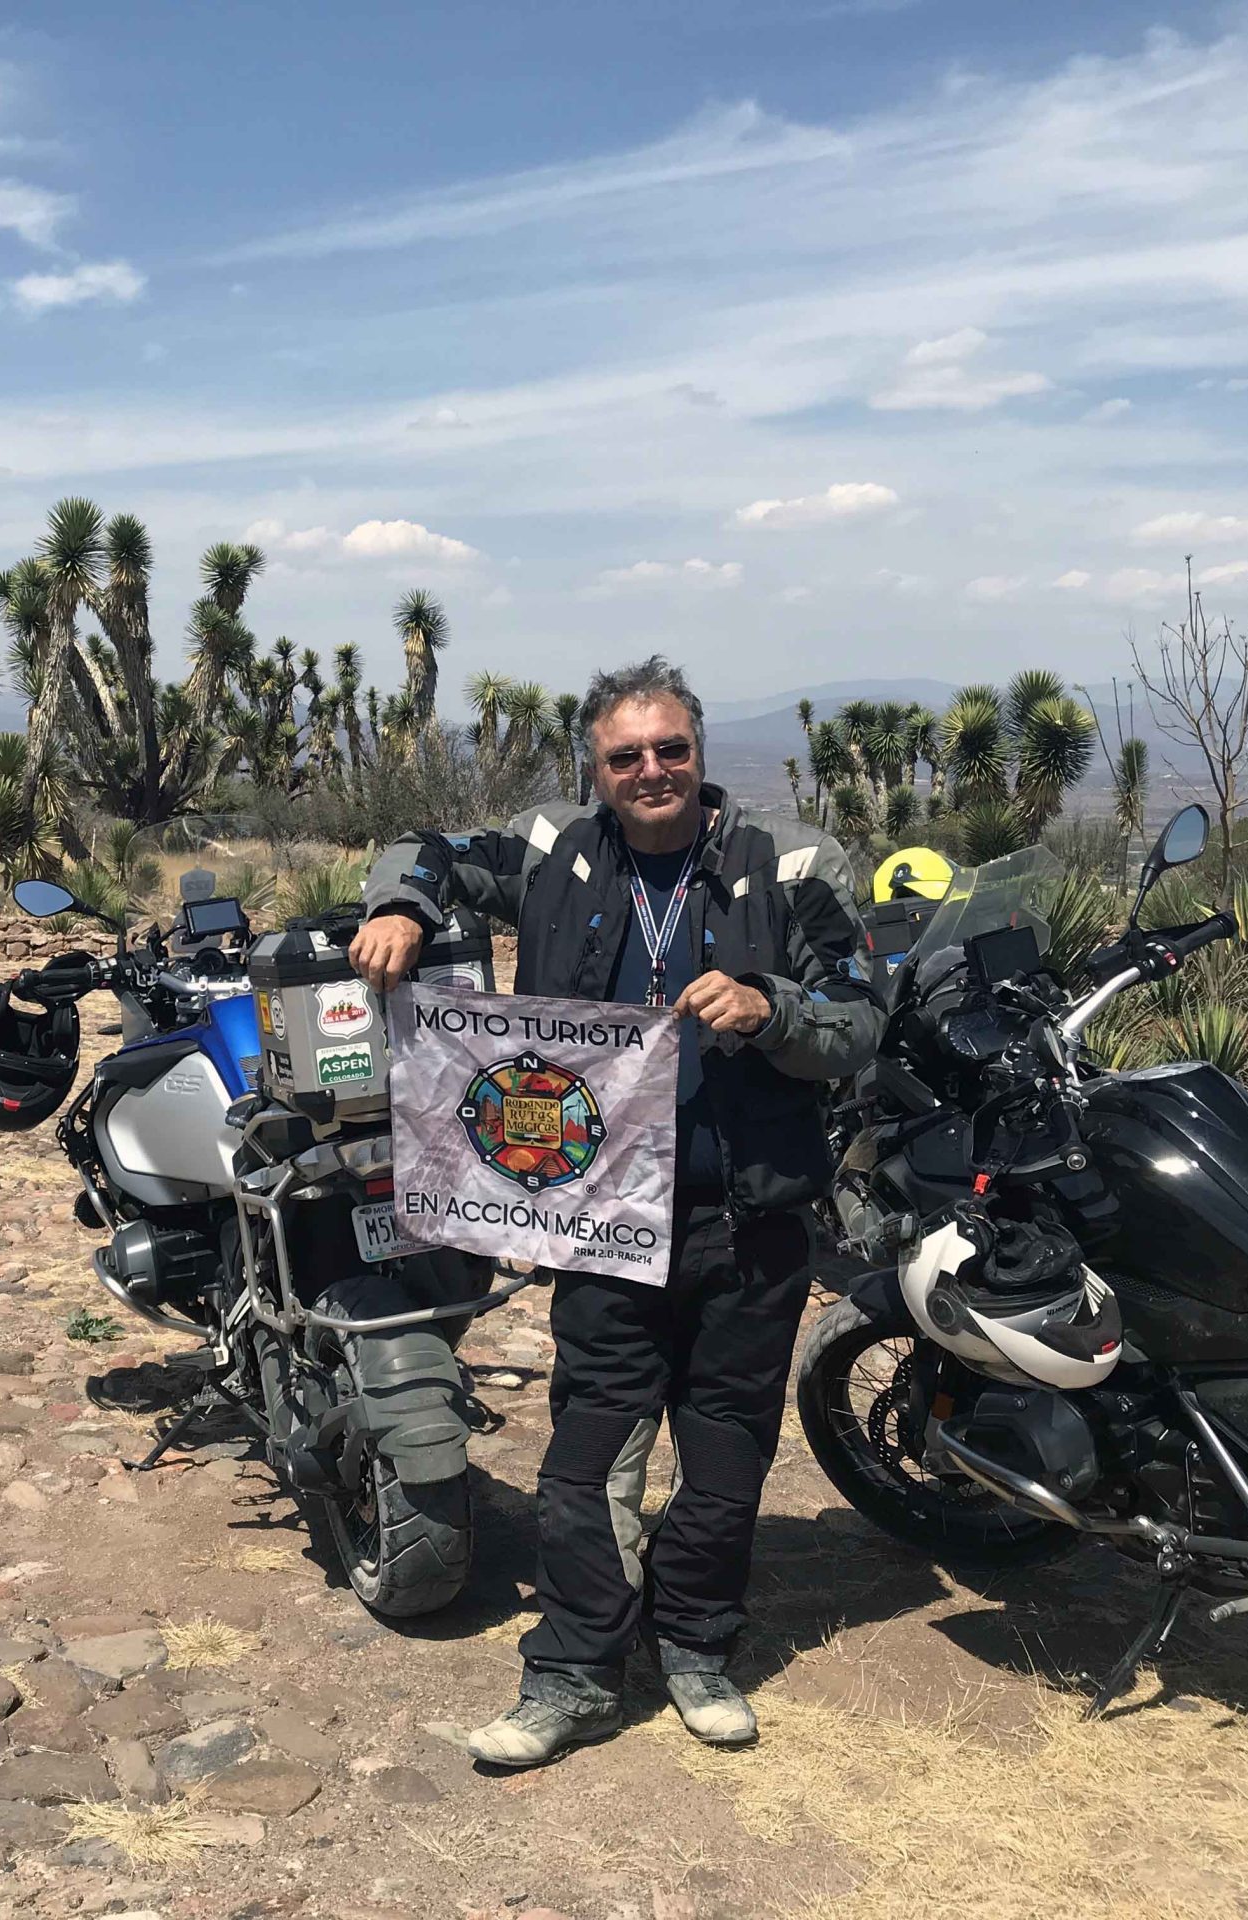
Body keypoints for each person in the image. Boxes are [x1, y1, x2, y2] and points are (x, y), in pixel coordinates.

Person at [353, 656, 882, 1766]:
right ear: (594, 769)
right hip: (597, 1219)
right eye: (625, 756)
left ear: (700, 753)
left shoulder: (791, 864)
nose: (651, 771)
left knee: (726, 1451)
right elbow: (424, 849)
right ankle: (575, 1671)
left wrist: (771, 1006)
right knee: (592, 1449)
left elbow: (860, 1013)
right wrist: (400, 904)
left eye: (670, 750)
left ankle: (694, 1646)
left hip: (749, 1216)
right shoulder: (552, 848)